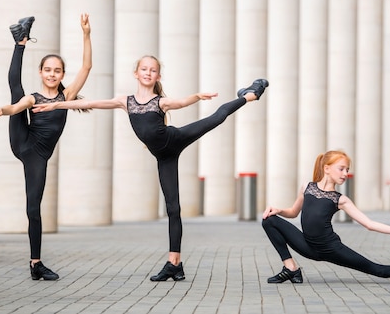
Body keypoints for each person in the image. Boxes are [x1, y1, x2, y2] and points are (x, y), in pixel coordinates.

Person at [32, 55, 269, 281]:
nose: (148, 72)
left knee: (216, 118)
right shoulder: (125, 101)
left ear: (158, 76)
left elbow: (180, 102)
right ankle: (174, 264)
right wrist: (56, 105)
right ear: (136, 73)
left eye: (153, 70)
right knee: (172, 208)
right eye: (144, 69)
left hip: (175, 139)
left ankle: (250, 95)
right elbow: (91, 102)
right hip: (164, 158)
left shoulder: (160, 102)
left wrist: (197, 96)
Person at [261, 150, 390, 285]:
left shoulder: (340, 199)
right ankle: (291, 268)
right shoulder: (306, 187)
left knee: (378, 270)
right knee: (269, 220)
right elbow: (294, 213)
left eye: (347, 170)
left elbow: (369, 224)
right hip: (306, 245)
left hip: (332, 249)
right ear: (327, 168)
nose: (345, 173)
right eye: (341, 169)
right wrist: (278, 210)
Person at [0, 14, 93, 281]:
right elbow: (15, 107)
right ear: (41, 72)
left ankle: (35, 263)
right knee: (16, 92)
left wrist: (86, 34)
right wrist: (2, 111)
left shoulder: (65, 97)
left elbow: (86, 68)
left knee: (33, 208)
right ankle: (20, 41)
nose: (52, 74)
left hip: (38, 156)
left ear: (61, 74)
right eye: (47, 70)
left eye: (57, 71)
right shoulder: (33, 98)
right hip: (23, 142)